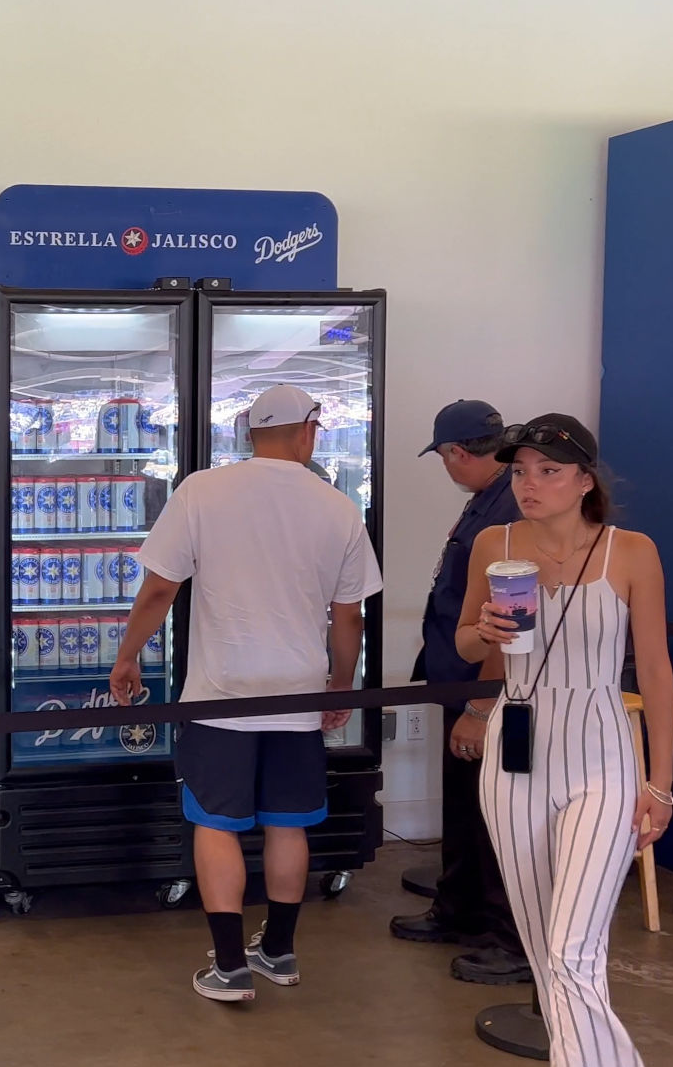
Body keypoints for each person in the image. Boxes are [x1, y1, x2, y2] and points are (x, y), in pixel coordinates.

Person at [112, 384, 383, 1004]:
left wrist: (129, 657)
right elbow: (350, 617)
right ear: (309, 431)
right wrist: (340, 685)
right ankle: (280, 952)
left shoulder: (202, 491)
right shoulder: (337, 507)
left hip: (220, 693)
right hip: (297, 692)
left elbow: (160, 590)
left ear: (247, 434)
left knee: (217, 825)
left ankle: (230, 966)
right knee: (289, 824)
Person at [457, 414, 673, 1067]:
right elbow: (464, 645)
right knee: (550, 958)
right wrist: (482, 629)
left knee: (573, 952)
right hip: (516, 754)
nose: (530, 483)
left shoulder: (631, 552)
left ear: (585, 479)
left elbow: (659, 671)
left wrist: (660, 784)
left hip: (603, 756)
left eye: (549, 470)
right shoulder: (496, 544)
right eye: (521, 470)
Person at [393, 400, 532, 985]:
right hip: (462, 678)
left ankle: (507, 939)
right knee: (467, 806)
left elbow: (509, 622)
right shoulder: (488, 502)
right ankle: (460, 908)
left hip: (492, 694)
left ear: (456, 452)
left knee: (499, 814)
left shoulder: (510, 512)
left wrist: (479, 705)